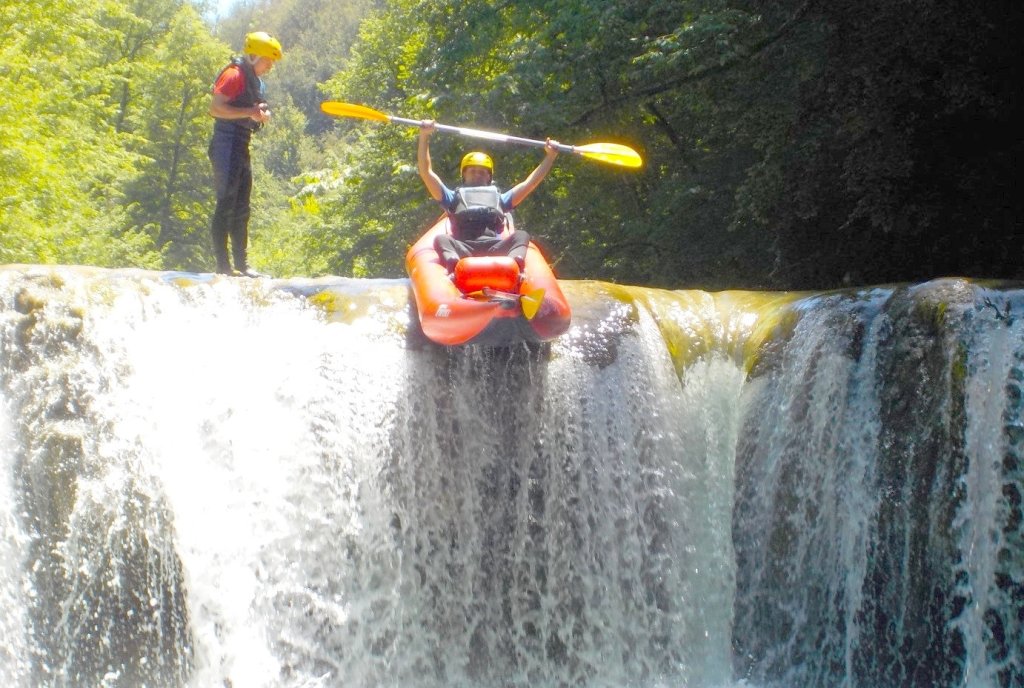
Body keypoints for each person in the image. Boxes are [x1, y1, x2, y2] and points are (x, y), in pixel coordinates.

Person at [417, 120, 560, 274]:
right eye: (472, 171)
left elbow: (530, 183)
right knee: (441, 240)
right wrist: (424, 136)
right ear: (464, 175)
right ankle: (454, 265)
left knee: (521, 235)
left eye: (482, 172)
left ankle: (515, 266)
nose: (477, 174)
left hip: (495, 249)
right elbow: (426, 172)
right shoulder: (451, 197)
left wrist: (550, 157)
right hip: (463, 248)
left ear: (489, 177)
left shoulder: (501, 199)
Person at [207, 31, 282, 276]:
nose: (270, 66)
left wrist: (260, 116)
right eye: (267, 60)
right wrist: (250, 111)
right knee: (226, 203)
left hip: (241, 145)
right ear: (253, 56)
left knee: (242, 207)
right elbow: (216, 109)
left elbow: (250, 111)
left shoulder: (256, 81)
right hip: (225, 145)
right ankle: (223, 266)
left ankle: (242, 265)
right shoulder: (234, 74)